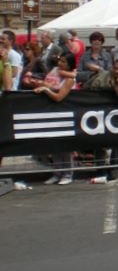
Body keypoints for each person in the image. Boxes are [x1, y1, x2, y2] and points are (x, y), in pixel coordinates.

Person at [85, 59, 118, 181]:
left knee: (117, 143)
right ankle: (100, 169)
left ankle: (114, 169)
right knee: (99, 142)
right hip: (99, 114)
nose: (117, 71)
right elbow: (90, 89)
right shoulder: (103, 76)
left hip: (117, 117)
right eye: (115, 68)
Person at [33, 52, 77, 185]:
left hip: (65, 113)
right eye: (60, 61)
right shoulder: (55, 71)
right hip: (52, 113)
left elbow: (59, 97)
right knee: (54, 144)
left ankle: (68, 174)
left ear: (69, 65)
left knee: (65, 146)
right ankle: (57, 173)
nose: (60, 64)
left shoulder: (69, 79)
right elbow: (49, 84)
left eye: (63, 62)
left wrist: (46, 89)